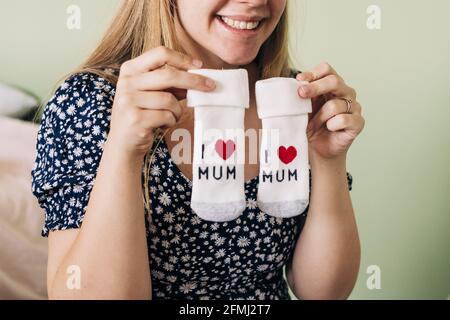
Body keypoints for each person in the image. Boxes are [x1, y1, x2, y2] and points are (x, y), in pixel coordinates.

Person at [31, 0, 365, 300]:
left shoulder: (291, 99)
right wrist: (123, 150)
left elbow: (325, 292)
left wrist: (328, 160)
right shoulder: (91, 103)